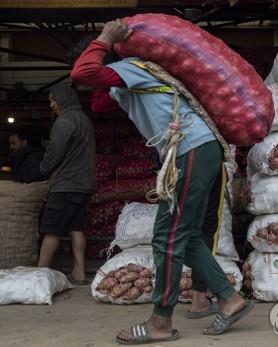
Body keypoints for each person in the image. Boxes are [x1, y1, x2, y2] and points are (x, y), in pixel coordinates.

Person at [71, 19, 252, 344]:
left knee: (166, 239)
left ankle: (160, 322)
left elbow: (82, 73)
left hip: (192, 150)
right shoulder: (127, 78)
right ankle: (229, 298)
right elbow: (99, 99)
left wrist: (103, 39)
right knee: (185, 235)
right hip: (196, 152)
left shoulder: (133, 68)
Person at [37, 84, 96, 286]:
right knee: (75, 227)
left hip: (65, 185)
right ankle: (79, 272)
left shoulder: (65, 121)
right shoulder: (84, 119)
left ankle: (38, 277)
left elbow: (55, 152)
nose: (52, 104)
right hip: (83, 185)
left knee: (51, 230)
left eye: (53, 100)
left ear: (63, 99)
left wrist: (43, 168)